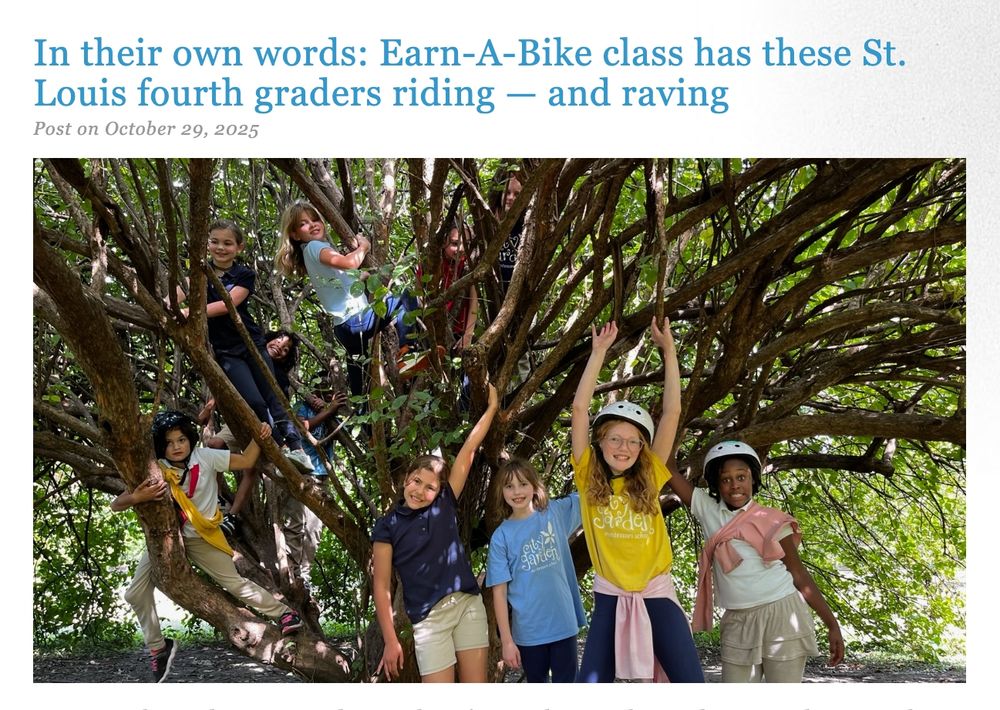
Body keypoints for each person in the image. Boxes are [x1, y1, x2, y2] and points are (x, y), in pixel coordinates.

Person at [115, 410, 303, 683]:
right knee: (134, 593)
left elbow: (248, 460)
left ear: (190, 439)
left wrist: (260, 436)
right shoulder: (158, 469)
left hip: (202, 538)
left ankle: (286, 613)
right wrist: (137, 496)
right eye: (169, 442)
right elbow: (116, 504)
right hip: (167, 540)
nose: (176, 446)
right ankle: (158, 648)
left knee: (235, 583)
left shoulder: (205, 457)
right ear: (160, 446)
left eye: (181, 439)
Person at [571, 319, 704, 683]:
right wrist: (598, 352)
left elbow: (673, 414)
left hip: (656, 593)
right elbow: (580, 410)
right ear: (600, 442)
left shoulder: (650, 476)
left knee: (691, 683)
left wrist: (670, 351)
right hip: (610, 597)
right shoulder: (586, 476)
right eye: (615, 439)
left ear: (642, 448)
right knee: (590, 685)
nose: (624, 447)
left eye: (633, 442)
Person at [663, 439, 845, 682]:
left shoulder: (771, 520)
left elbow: (799, 575)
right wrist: (672, 421)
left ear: (753, 479)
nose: (734, 485)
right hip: (737, 619)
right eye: (725, 479)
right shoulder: (709, 510)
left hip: (781, 614)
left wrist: (832, 624)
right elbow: (668, 469)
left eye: (741, 477)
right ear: (716, 484)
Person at [371, 384, 499, 682]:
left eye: (430, 487)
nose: (420, 490)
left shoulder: (443, 505)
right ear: (405, 480)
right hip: (428, 621)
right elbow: (382, 587)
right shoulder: (387, 526)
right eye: (416, 481)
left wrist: (492, 408)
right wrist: (391, 640)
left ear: (440, 492)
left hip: (466, 605)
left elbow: (468, 449)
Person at [184, 219, 312, 474]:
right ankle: (277, 446)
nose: (221, 247)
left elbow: (227, 304)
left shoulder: (244, 274)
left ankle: (297, 449)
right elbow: (180, 289)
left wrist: (188, 311)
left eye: (227, 243)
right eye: (215, 242)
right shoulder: (200, 273)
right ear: (207, 243)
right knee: (253, 400)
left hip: (250, 344)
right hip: (226, 352)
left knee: (271, 394)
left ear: (239, 247)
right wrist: (166, 303)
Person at [274, 202, 431, 403]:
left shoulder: (310, 254)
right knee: (404, 296)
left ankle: (365, 424)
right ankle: (407, 354)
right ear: (295, 235)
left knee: (361, 377)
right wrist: (364, 246)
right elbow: (349, 263)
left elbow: (342, 278)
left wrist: (361, 277)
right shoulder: (315, 247)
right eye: (304, 224)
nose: (313, 224)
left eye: (315, 219)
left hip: (344, 329)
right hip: (356, 319)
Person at [485, 459, 586, 682]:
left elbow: (590, 494)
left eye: (523, 484)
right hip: (529, 632)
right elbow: (499, 593)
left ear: (534, 485)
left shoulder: (553, 514)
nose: (517, 491)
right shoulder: (501, 537)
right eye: (509, 486)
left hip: (564, 624)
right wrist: (507, 641)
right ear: (501, 492)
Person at [285, 381, 347, 586]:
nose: (328, 394)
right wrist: (329, 411)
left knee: (314, 530)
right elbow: (302, 428)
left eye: (331, 392)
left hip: (322, 477)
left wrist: (333, 411)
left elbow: (340, 435)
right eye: (323, 391)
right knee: (295, 525)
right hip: (302, 474)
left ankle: (304, 574)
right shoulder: (300, 408)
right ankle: (291, 572)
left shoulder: (332, 412)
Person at [416, 222, 479, 354]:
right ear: (444, 242)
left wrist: (468, 335)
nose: (461, 248)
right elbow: (419, 295)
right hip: (433, 330)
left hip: (459, 332)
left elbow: (474, 300)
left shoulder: (468, 266)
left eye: (465, 244)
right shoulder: (431, 263)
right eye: (455, 244)